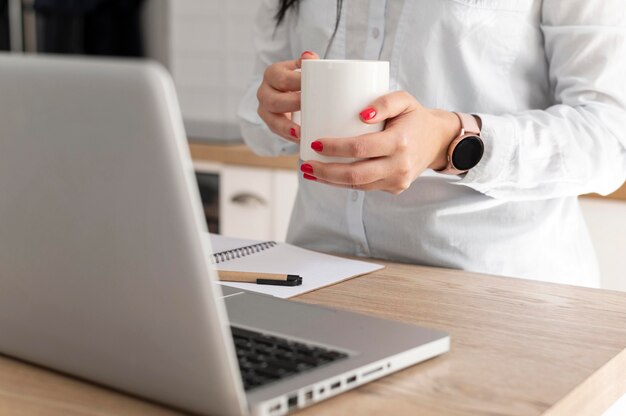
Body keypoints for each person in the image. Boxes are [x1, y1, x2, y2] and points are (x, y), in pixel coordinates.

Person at [238, 0, 626, 287]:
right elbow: (257, 126)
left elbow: (609, 135)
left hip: (493, 292)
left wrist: (451, 142)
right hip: (317, 277)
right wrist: (272, 104)